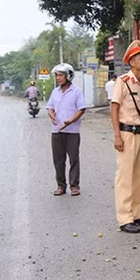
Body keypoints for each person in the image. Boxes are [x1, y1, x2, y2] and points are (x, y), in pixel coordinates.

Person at [111, 40, 140, 234]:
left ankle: (136, 214)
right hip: (126, 134)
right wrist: (117, 136)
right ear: (132, 62)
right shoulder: (122, 82)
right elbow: (114, 109)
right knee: (125, 177)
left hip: (139, 133)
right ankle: (124, 218)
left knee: (138, 176)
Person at [46, 64, 86, 196]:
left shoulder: (77, 92)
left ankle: (74, 186)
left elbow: (81, 109)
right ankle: (61, 186)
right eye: (56, 75)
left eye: (61, 75)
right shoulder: (55, 92)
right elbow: (50, 107)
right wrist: (51, 115)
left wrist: (70, 121)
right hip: (56, 131)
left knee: (73, 158)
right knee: (58, 159)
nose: (58, 78)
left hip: (72, 131)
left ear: (68, 76)